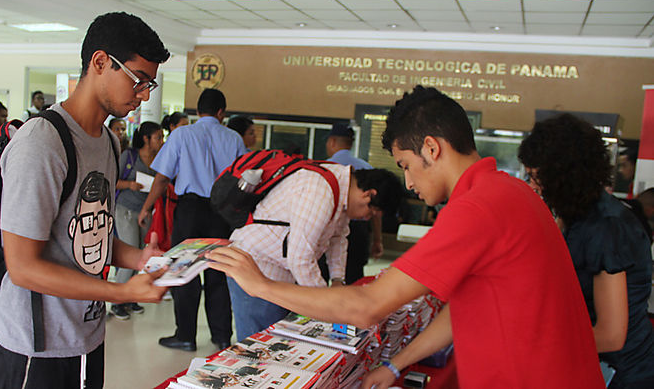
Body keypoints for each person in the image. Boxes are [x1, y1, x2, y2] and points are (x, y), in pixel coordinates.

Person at [208, 86, 604, 389]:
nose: (410, 182)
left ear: (431, 148)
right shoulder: (510, 191)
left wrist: (259, 285)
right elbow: (462, 310)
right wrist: (396, 365)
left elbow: (368, 307)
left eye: (406, 165)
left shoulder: (479, 207)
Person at [0, 12, 170, 388]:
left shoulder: (109, 143)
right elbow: (22, 267)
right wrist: (119, 291)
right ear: (100, 63)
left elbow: (92, 234)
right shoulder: (43, 142)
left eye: (150, 83)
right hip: (34, 349)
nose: (145, 94)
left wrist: (137, 258)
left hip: (85, 337)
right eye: (139, 80)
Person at [518, 113, 654, 389]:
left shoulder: (606, 228)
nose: (533, 186)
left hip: (620, 373)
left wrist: (537, 343)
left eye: (536, 178)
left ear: (561, 174)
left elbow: (611, 334)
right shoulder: (574, 213)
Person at [228, 166, 400, 340]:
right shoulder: (320, 190)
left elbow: (338, 238)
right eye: (371, 213)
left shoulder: (341, 191)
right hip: (256, 266)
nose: (366, 218)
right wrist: (327, 306)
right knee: (260, 344)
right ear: (368, 195)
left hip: (281, 272)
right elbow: (300, 259)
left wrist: (338, 280)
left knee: (280, 337)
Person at [140, 88, 246, 352]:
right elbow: (244, 182)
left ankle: (185, 336)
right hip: (222, 213)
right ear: (221, 112)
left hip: (189, 210)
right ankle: (222, 336)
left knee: (184, 272)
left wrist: (147, 207)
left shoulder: (181, 135)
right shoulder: (233, 139)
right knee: (218, 274)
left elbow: (163, 178)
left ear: (198, 111)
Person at [110, 121, 164, 320]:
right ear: (146, 139)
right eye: (158, 137)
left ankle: (131, 297)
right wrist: (129, 184)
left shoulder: (159, 159)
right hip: (125, 209)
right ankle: (117, 300)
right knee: (130, 251)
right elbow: (112, 180)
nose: (161, 141)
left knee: (142, 252)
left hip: (145, 211)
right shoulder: (130, 156)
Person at [325, 122, 384, 284]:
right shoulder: (367, 168)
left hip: (326, 228)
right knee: (354, 280)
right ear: (351, 143)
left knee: (320, 276)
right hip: (359, 232)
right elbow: (375, 210)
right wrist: (377, 239)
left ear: (332, 142)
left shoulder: (325, 167)